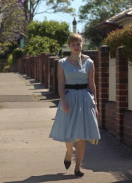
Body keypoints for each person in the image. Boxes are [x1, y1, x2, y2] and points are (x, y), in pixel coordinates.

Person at [49, 33, 101, 177]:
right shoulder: (62, 63)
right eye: (73, 44)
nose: (76, 47)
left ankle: (77, 168)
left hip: (85, 99)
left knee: (82, 136)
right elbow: (60, 83)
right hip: (69, 98)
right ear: (69, 46)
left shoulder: (89, 62)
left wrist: (95, 104)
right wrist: (64, 101)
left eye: (78, 44)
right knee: (69, 135)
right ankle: (68, 152)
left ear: (82, 44)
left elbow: (92, 84)